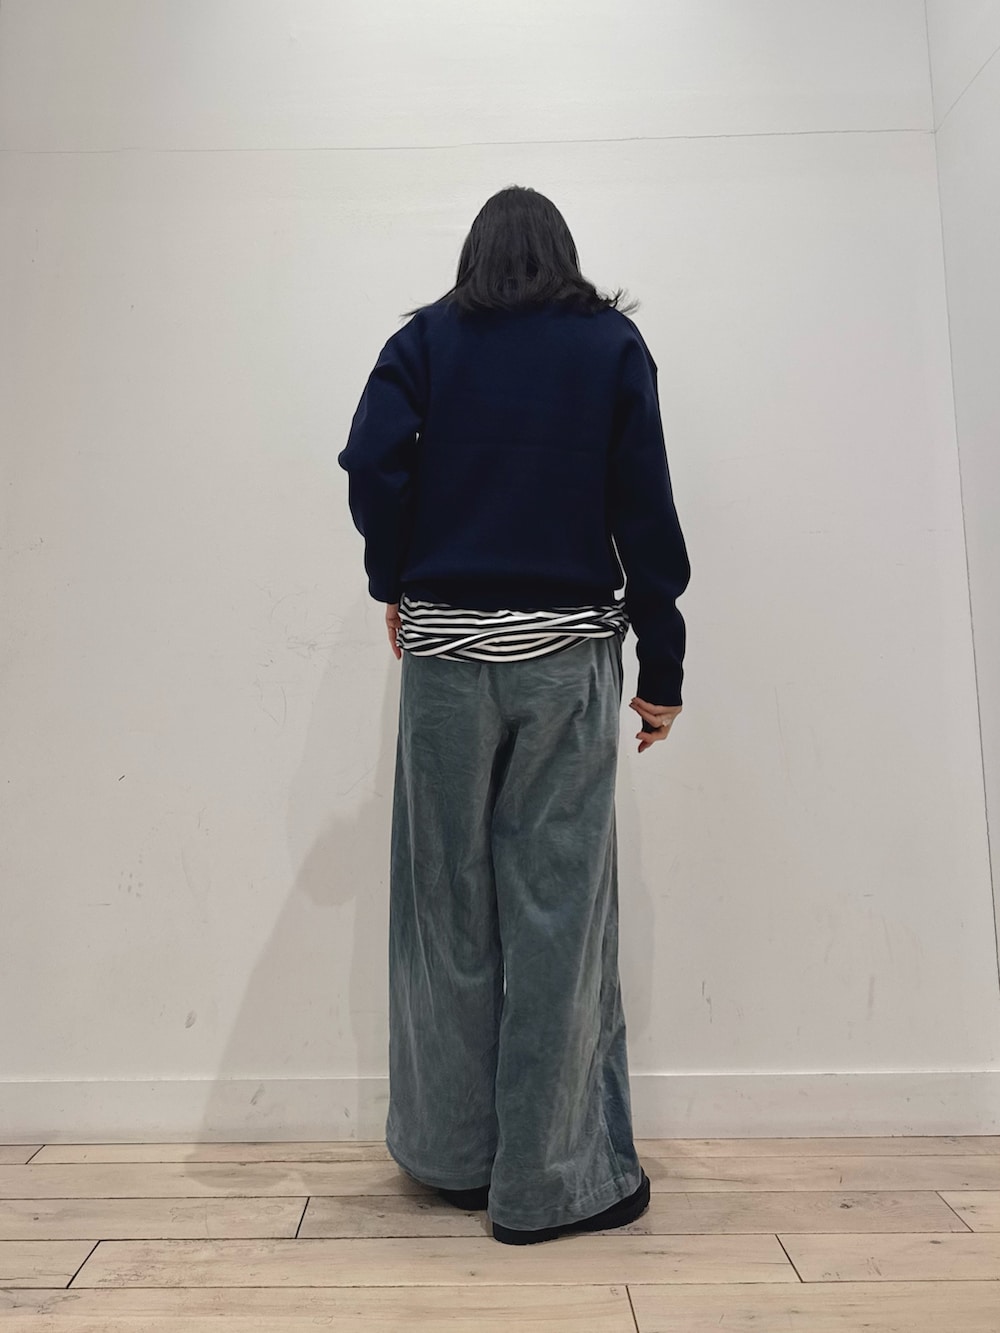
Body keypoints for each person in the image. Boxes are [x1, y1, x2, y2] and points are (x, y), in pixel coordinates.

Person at [337, 184, 691, 1245]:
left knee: (443, 905)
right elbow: (645, 502)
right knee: (556, 911)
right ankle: (549, 1184)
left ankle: (453, 1160)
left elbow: (369, 461)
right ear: (563, 254)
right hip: (566, 658)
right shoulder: (610, 347)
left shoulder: (426, 341)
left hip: (447, 657)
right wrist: (662, 664)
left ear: (475, 255)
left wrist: (395, 577)